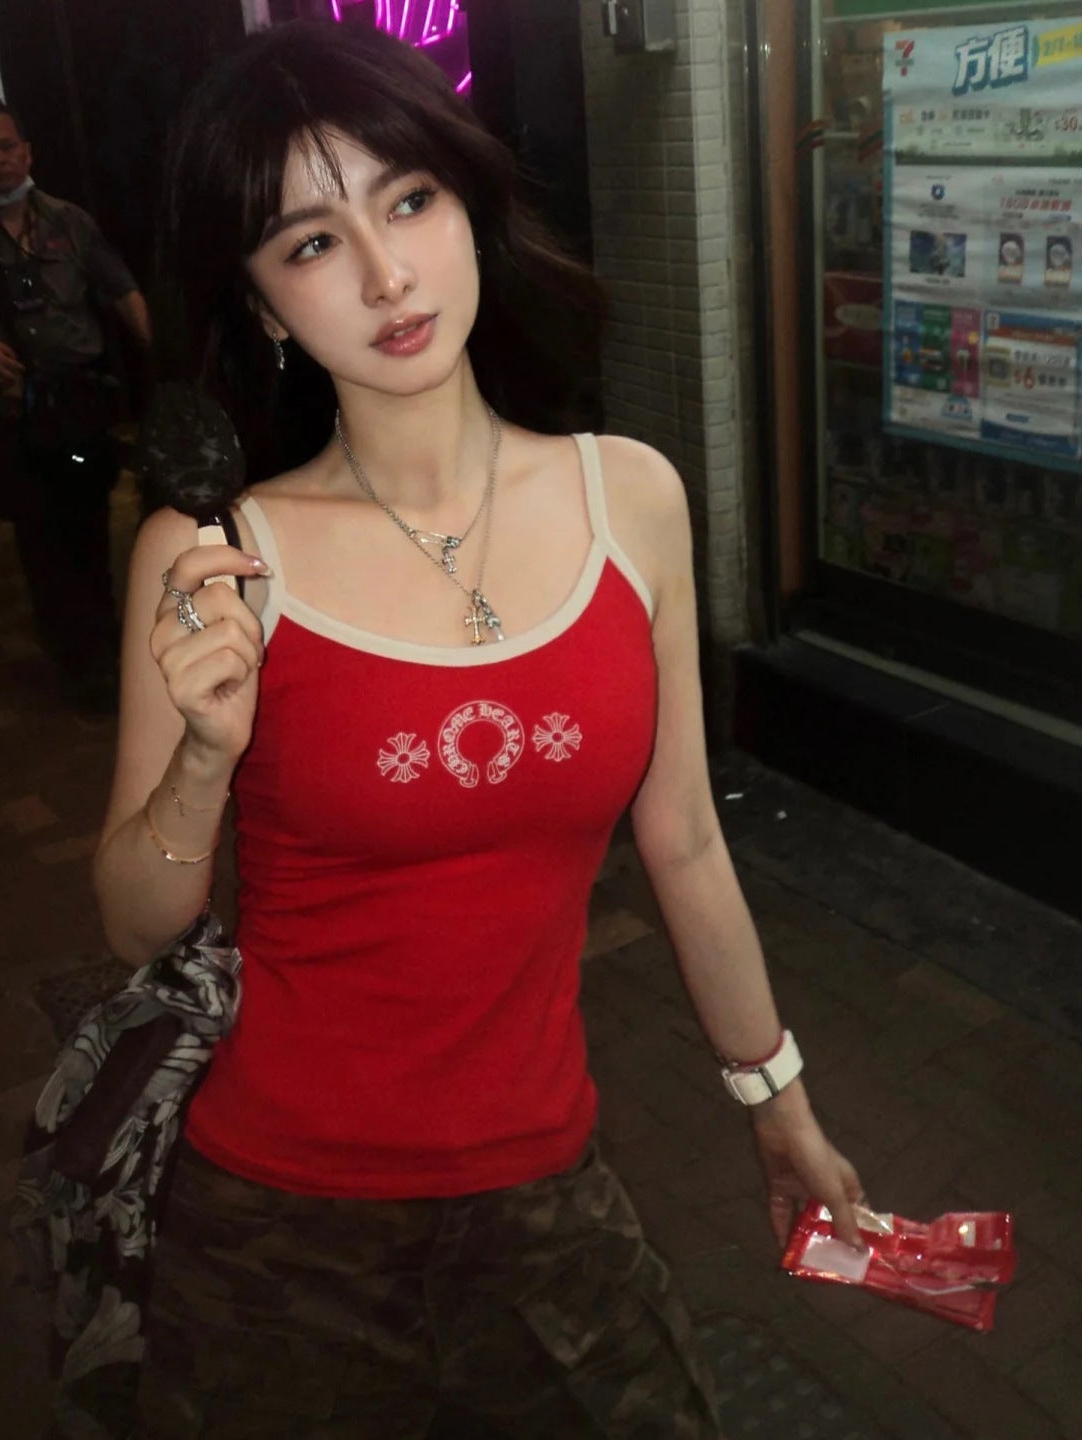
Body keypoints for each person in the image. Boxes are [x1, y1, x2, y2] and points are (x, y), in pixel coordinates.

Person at [95, 22, 865, 1439]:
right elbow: (137, 921)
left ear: (468, 207)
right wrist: (203, 760)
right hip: (277, 1219)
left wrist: (779, 1102)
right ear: (264, 306)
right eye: (311, 243)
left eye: (408, 200)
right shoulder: (216, 558)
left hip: (541, 1179)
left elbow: (686, 842)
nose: (386, 275)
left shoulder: (631, 500)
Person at [0, 96, 152, 709]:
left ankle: (103, 644)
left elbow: (121, 289)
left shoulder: (69, 221)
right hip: (10, 416)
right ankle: (79, 657)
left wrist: (167, 360)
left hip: (77, 408)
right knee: (41, 539)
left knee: (88, 530)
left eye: (7, 146)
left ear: (27, 151)